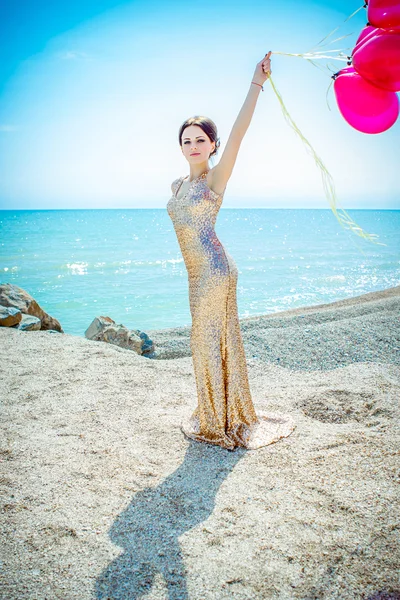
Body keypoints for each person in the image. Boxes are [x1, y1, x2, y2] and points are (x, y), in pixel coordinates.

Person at [167, 52, 295, 451]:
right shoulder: (177, 186)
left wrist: (256, 84)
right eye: (186, 141)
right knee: (206, 341)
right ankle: (216, 413)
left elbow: (239, 133)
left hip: (216, 271)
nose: (193, 146)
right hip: (197, 275)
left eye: (200, 140)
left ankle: (218, 420)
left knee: (205, 342)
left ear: (212, 145)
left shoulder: (215, 178)